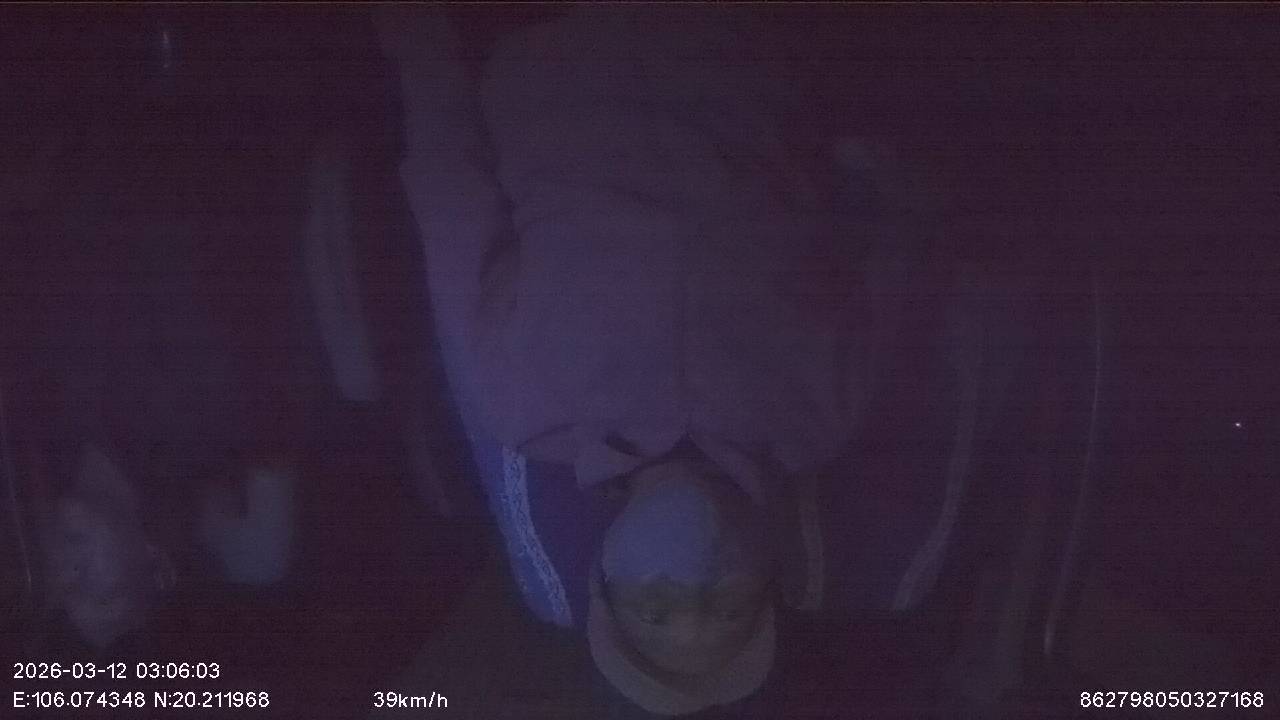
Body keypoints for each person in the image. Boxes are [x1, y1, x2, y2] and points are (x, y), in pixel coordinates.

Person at [376, 7, 982, 716]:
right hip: (756, 41)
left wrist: (415, 32)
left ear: (602, 571)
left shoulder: (519, 405)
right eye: (728, 609)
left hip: (551, 36)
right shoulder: (823, 417)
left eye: (657, 611)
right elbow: (895, 228)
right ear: (768, 563)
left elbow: (452, 195)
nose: (694, 586)